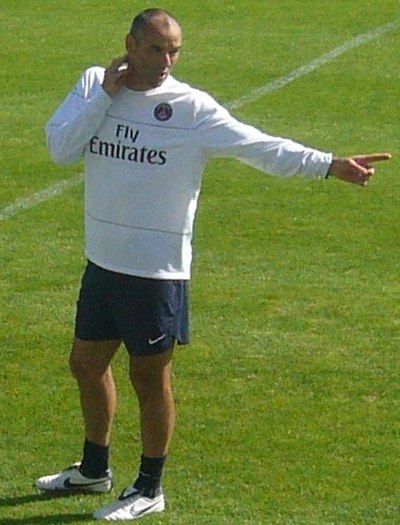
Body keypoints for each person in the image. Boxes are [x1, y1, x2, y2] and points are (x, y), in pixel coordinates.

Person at [35, 7, 391, 522]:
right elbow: (61, 149)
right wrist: (103, 99)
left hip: (157, 271)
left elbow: (256, 145)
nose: (166, 61)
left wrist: (328, 164)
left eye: (174, 50)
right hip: (103, 261)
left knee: (148, 379)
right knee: (85, 365)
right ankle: (94, 469)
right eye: (156, 49)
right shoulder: (95, 84)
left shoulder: (190, 107)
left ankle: (149, 487)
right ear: (130, 45)